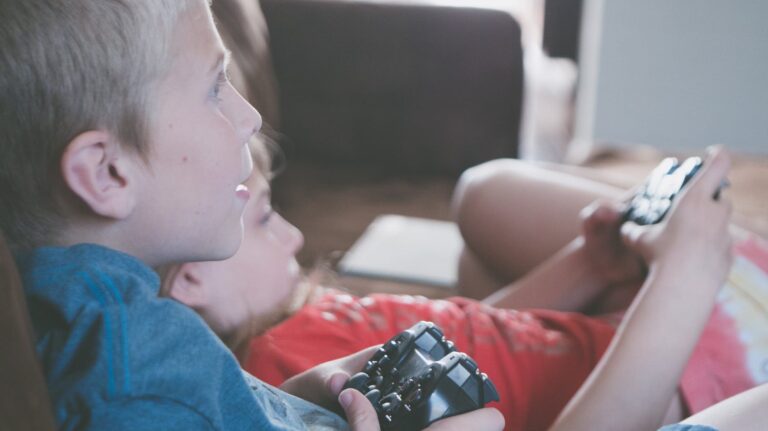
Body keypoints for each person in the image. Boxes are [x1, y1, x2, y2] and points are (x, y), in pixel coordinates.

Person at [0, 1, 503, 429]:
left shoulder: (119, 329)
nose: (251, 117)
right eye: (215, 87)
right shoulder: (138, 378)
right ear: (107, 173)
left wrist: (291, 403)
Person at [161, 137, 759, 431]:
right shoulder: (281, 364)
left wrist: (588, 266)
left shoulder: (300, 327)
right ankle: (715, 260)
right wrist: (684, 274)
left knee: (481, 219)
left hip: (616, 335)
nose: (294, 236)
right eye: (265, 218)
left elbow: (481, 337)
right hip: (663, 367)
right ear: (191, 278)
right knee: (488, 193)